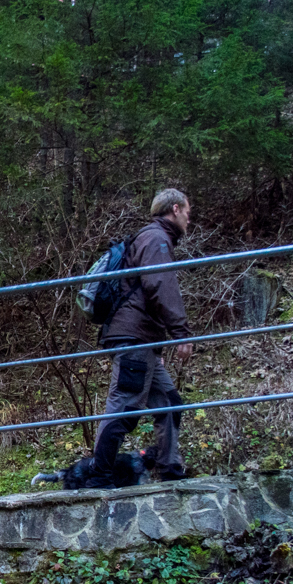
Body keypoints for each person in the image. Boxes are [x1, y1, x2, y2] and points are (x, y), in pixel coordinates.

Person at [90, 188, 195, 488]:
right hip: (134, 339)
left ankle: (170, 468)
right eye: (187, 212)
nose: (189, 219)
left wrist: (158, 344)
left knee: (170, 402)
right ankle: (100, 476)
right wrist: (180, 334)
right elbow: (160, 284)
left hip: (141, 340)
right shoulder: (156, 240)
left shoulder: (151, 238)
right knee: (124, 407)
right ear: (175, 209)